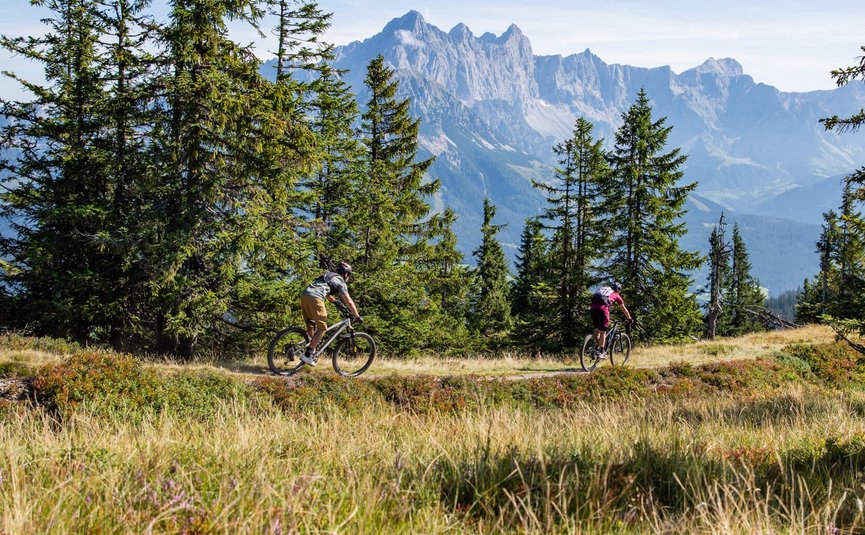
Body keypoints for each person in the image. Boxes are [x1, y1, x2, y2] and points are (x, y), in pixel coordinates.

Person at [299, 262, 360, 365]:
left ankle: (311, 347)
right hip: (315, 297)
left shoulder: (329, 275)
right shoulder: (341, 282)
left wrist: (333, 300)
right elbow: (349, 301)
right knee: (322, 328)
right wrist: (357, 315)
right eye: (349, 275)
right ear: (346, 274)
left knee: (311, 324)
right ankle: (307, 355)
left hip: (305, 295)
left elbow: (322, 287)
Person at [589, 282, 632, 359]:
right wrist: (629, 318)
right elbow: (624, 309)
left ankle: (594, 348)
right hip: (603, 309)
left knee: (597, 329)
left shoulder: (603, 289)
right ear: (618, 290)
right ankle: (601, 352)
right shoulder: (616, 294)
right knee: (603, 331)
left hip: (592, 308)